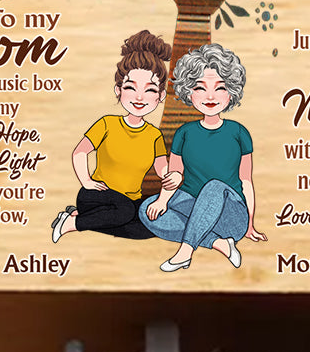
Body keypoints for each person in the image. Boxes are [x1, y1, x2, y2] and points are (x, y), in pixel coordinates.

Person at [138, 42, 267, 271]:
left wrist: (250, 224)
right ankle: (219, 244)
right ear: (188, 91)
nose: (210, 96)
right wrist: (162, 200)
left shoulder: (238, 132)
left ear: (231, 92)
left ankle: (185, 252)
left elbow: (246, 180)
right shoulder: (184, 133)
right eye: (200, 88)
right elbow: (174, 176)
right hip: (191, 205)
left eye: (220, 88)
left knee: (214, 187)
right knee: (147, 209)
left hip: (230, 214)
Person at [51, 29, 180, 242]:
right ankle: (71, 224)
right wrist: (86, 181)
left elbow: (161, 168)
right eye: (131, 88)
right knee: (124, 211)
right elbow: (80, 152)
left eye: (149, 90)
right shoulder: (107, 124)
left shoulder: (153, 135)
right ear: (118, 90)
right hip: (97, 196)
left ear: (161, 95)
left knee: (149, 227)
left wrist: (172, 176)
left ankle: (80, 218)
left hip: (130, 201)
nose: (139, 97)